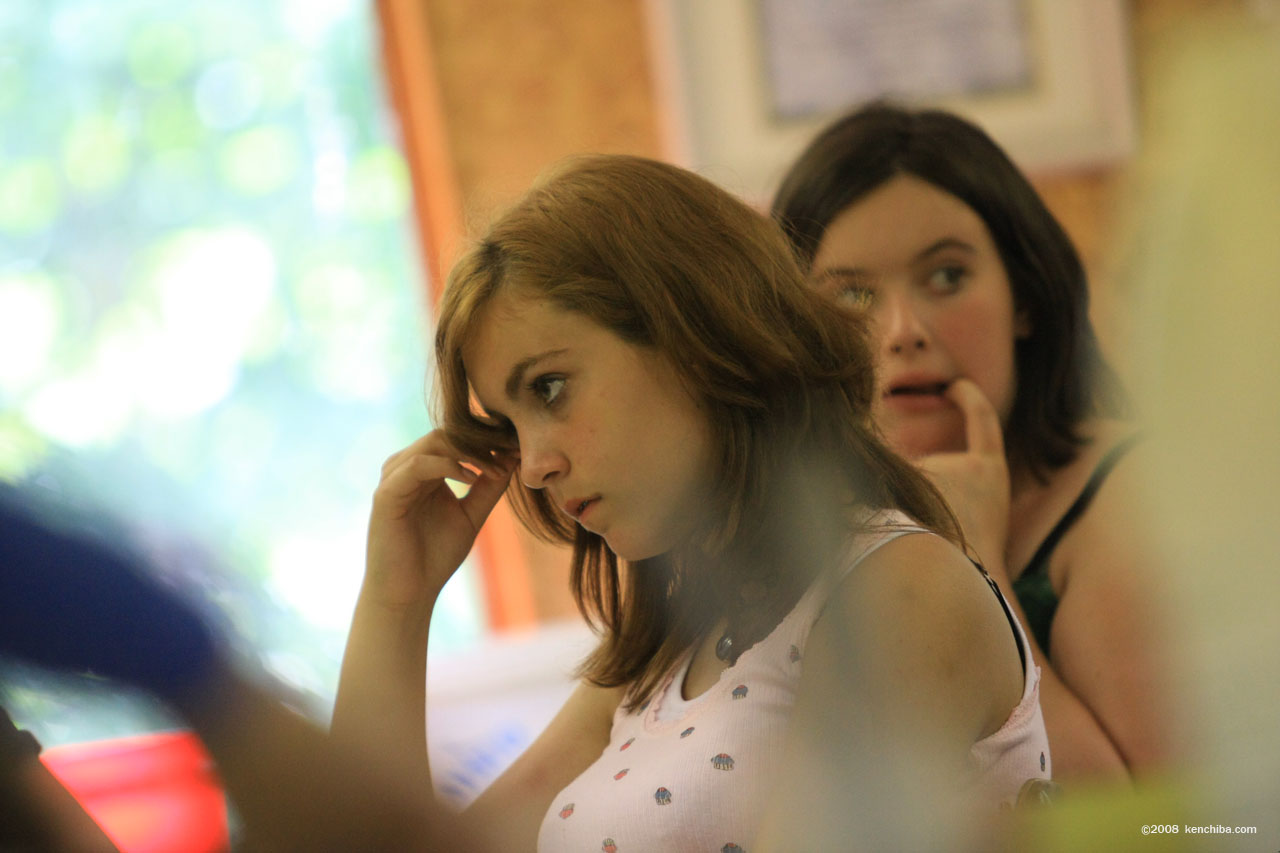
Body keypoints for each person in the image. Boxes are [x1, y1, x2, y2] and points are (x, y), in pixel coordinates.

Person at [333, 153, 1050, 851]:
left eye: (550, 388)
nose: (536, 465)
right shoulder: (661, 653)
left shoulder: (897, 590)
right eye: (511, 427)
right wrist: (396, 602)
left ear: (693, 334)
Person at [771, 102, 1172, 783]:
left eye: (947, 276)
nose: (903, 331)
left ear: (1026, 299)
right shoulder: (800, 513)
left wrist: (977, 563)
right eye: (854, 296)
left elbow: (1168, 822)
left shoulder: (1126, 492)